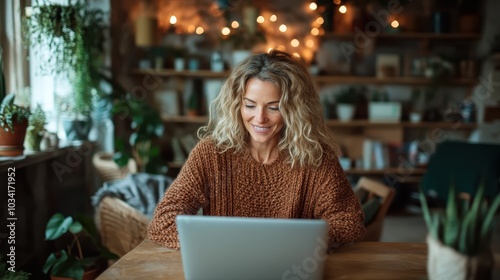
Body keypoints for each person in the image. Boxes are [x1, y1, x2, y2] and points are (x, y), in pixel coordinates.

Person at [148, 50, 365, 250]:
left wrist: (296, 248)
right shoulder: (211, 154)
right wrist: (214, 248)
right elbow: (164, 220)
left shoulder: (316, 158)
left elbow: (348, 223)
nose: (259, 118)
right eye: (250, 105)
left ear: (294, 110)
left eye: (273, 107)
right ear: (236, 104)